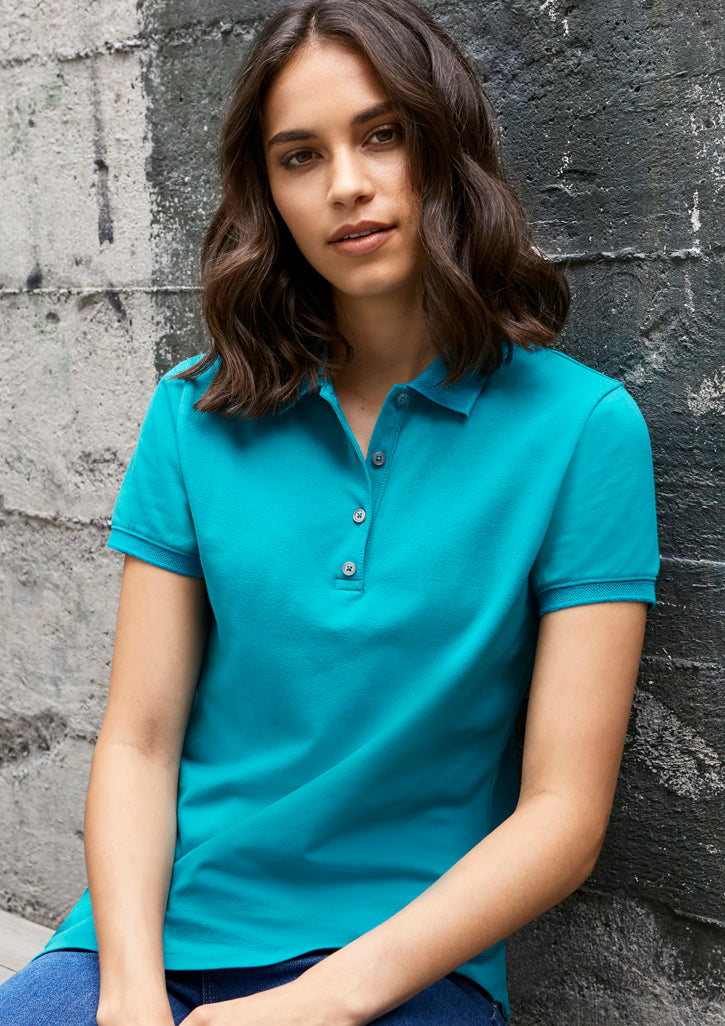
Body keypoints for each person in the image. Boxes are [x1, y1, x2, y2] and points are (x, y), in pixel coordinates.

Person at [0, 1, 659, 1024]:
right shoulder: (195, 411)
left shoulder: (580, 430)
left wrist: (321, 1003)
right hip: (159, 932)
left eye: (380, 134)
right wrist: (128, 990)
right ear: (266, 192)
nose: (345, 184)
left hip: (399, 966)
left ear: (443, 147)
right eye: (297, 156)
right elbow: (138, 740)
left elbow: (561, 817)